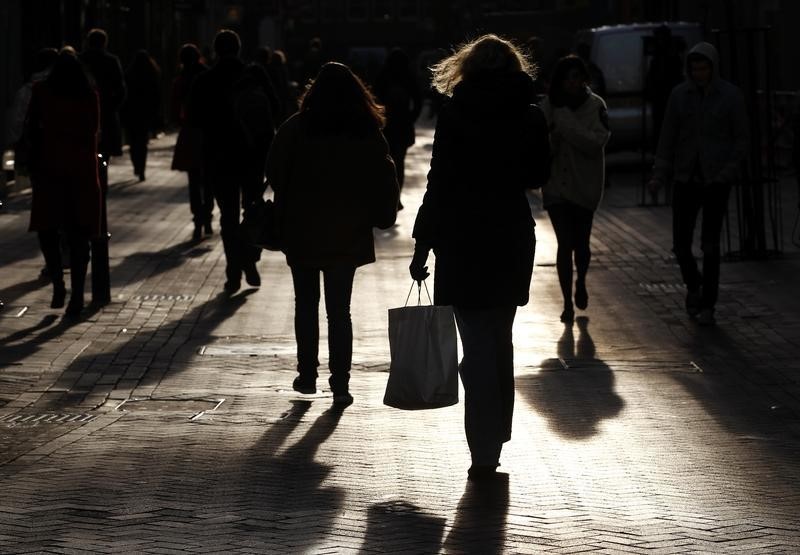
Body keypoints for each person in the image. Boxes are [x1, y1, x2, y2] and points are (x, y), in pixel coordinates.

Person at [409, 34, 550, 480]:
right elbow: (538, 175)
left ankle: (482, 445)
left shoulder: (455, 114)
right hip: (508, 235)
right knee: (499, 340)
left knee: (476, 346)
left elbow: (439, 181)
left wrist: (422, 243)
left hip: (462, 238)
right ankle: (496, 434)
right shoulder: (528, 115)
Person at [266, 62, 399, 406]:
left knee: (305, 305)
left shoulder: (295, 128)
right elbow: (383, 175)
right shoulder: (365, 129)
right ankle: (341, 382)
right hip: (348, 231)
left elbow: (275, 173)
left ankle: (307, 374)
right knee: (340, 310)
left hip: (302, 228)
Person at [648, 42, 748, 326]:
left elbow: (741, 139)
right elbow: (668, 137)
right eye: (695, 68)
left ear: (713, 68)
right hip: (685, 177)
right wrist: (659, 173)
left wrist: (727, 171)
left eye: (704, 68)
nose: (699, 73)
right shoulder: (680, 96)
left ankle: (708, 304)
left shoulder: (730, 96)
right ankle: (695, 284)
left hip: (716, 179)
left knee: (711, 245)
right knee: (681, 243)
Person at [22, 47, 102, 318]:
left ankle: (58, 282)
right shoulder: (89, 95)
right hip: (80, 169)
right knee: (80, 233)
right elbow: (93, 129)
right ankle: (78, 295)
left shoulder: (42, 91)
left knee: (48, 228)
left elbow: (32, 125)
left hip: (49, 167)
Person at [191, 29, 264, 292]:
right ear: (239, 48)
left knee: (229, 216)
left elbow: (194, 120)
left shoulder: (205, 80)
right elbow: (276, 110)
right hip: (252, 156)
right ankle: (250, 256)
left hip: (219, 157)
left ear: (215, 50)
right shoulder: (254, 76)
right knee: (253, 212)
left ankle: (234, 270)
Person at [539, 55, 611, 324]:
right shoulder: (549, 106)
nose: (572, 83)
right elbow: (539, 141)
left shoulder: (595, 106)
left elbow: (596, 142)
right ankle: (567, 302)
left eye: (577, 77)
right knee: (564, 243)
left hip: (585, 185)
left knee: (581, 244)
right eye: (567, 78)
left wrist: (565, 126)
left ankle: (581, 280)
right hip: (557, 184)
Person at [80, 27, 126, 306]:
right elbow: (121, 90)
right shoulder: (111, 62)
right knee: (102, 164)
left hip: (86, 130)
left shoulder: (81, 62)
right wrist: (110, 107)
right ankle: (100, 190)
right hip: (105, 123)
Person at [170, 43, 212, 241]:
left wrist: (182, 122)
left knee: (194, 179)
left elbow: (174, 107)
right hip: (209, 132)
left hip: (190, 131)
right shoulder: (209, 76)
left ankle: (198, 217)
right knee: (209, 176)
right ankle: (208, 213)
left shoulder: (181, 80)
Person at [374, 48, 423, 210]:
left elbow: (374, 99)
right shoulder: (409, 77)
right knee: (399, 163)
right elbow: (418, 101)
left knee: (385, 163)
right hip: (402, 125)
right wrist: (411, 118)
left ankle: (386, 197)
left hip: (386, 126)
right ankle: (397, 198)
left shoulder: (382, 77)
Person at [122, 49, 161, 181]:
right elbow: (156, 95)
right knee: (142, 142)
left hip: (132, 112)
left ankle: (136, 165)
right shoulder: (151, 74)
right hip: (145, 113)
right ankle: (142, 168)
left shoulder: (129, 74)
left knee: (133, 142)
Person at [644, 25, 684, 152]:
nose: (659, 41)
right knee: (660, 125)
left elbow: (675, 76)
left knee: (670, 125)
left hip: (668, 96)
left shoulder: (671, 56)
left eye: (661, 38)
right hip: (660, 98)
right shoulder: (658, 56)